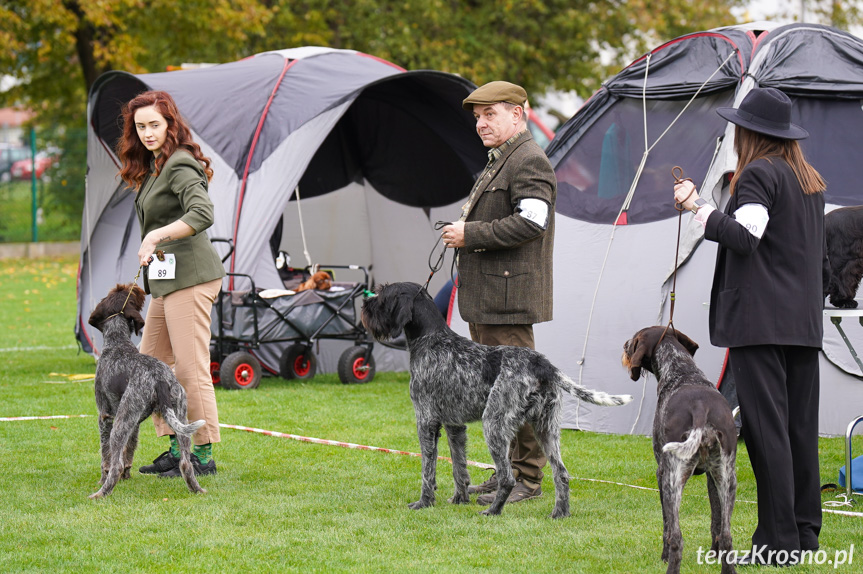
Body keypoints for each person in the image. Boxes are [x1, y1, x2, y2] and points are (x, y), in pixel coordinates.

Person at [673, 87, 826, 565]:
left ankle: (779, 542)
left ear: (749, 132)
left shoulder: (758, 173)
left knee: (767, 432)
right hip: (802, 322)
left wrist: (699, 208)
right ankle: (804, 533)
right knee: (799, 429)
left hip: (761, 323)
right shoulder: (810, 180)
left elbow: (745, 237)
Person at [441, 81, 556, 505]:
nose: (481, 124)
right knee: (498, 394)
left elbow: (531, 223)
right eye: (477, 117)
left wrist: (470, 234)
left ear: (518, 114)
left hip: (507, 301)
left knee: (518, 393)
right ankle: (507, 471)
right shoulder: (503, 159)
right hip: (490, 298)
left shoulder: (528, 160)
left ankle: (527, 478)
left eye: (490, 114)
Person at [116, 90, 226, 477]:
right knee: (152, 366)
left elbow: (202, 212)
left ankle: (204, 456)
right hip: (166, 282)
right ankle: (174, 446)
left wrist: (155, 237)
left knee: (190, 369)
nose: (147, 133)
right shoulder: (154, 166)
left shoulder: (179, 163)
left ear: (170, 125)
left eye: (154, 125)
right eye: (140, 126)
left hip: (192, 278)